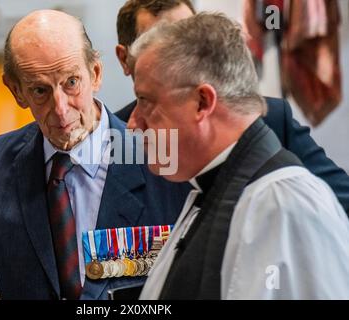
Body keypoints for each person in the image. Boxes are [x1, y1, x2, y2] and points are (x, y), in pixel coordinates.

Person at [0, 10, 189, 300]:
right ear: (16, 91)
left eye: (71, 83)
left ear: (96, 73)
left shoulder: (159, 158)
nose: (61, 110)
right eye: (40, 90)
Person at [128, 12, 349, 299]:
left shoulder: (285, 205)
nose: (133, 123)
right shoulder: (207, 187)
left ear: (202, 102)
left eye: (145, 100)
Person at [114, 0, 349, 215]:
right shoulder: (115, 142)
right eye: (156, 43)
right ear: (125, 59)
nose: (181, 54)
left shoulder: (265, 118)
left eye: (189, 36)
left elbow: (340, 201)